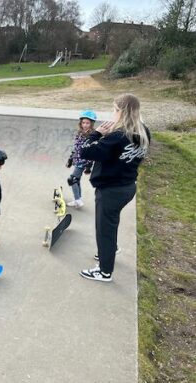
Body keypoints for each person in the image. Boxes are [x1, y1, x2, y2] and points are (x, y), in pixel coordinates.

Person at [79, 94, 150, 282]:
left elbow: (85, 150)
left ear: (120, 111)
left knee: (104, 230)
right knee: (111, 222)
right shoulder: (143, 131)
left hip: (111, 191)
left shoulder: (117, 137)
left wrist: (96, 133)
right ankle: (111, 249)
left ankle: (104, 271)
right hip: (127, 187)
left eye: (114, 109)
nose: (112, 113)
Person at [65, 110, 96, 208]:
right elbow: (76, 148)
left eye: (87, 123)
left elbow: (93, 151)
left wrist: (88, 166)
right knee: (76, 180)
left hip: (84, 161)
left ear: (91, 124)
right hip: (77, 159)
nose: (85, 125)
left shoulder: (93, 136)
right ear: (80, 123)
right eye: (83, 123)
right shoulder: (80, 133)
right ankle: (77, 199)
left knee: (72, 179)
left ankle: (78, 200)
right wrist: (70, 160)